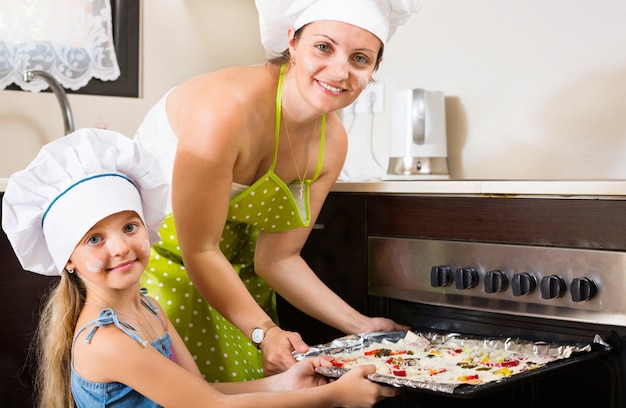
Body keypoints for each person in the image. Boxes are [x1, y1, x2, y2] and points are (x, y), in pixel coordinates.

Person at [1, 128, 399, 408]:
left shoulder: (149, 308)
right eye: (94, 239)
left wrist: (284, 383)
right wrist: (333, 396)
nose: (120, 248)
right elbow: (210, 407)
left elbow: (202, 392)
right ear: (66, 259)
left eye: (129, 226)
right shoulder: (104, 340)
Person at [134, 0, 420, 382]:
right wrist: (264, 331)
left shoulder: (331, 142)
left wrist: (362, 325)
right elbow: (200, 248)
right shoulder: (223, 109)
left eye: (360, 58)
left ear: (373, 69)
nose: (339, 71)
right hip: (156, 277)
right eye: (324, 47)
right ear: (292, 43)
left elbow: (278, 259)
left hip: (238, 284)